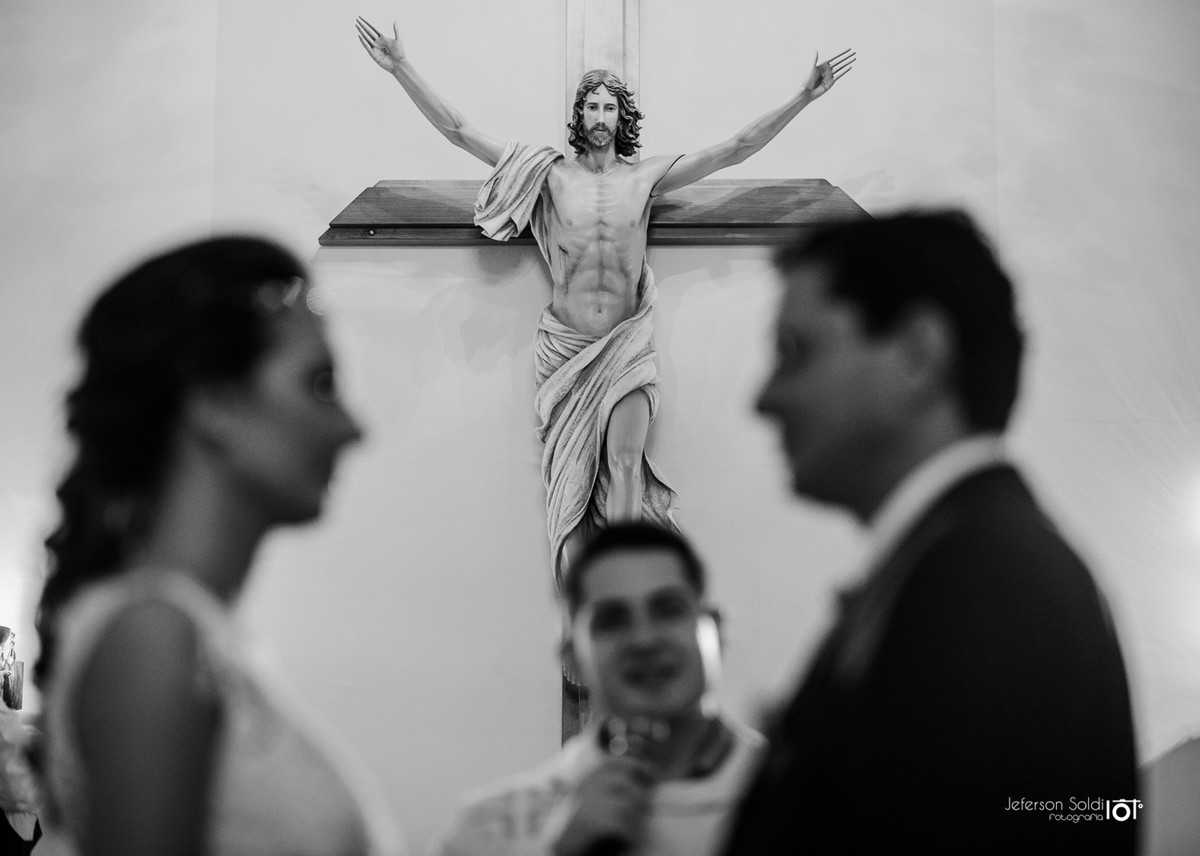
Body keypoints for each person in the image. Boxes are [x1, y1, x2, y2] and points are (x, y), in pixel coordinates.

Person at [355, 16, 854, 580]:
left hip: (624, 347)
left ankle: (617, 584)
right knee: (566, 497)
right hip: (567, 350)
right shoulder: (548, 176)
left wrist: (803, 98)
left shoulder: (644, 178)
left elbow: (736, 148)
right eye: (590, 106)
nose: (598, 117)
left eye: (608, 107)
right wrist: (400, 68)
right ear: (579, 116)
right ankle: (582, 610)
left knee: (624, 468)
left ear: (623, 117)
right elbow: (459, 129)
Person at [722, 210, 1139, 853]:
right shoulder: (948, 561)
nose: (765, 397)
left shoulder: (989, 586)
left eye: (796, 352)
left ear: (918, 354)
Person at [33, 237, 403, 856]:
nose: (352, 427)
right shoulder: (153, 638)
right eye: (320, 384)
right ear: (215, 402)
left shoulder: (199, 637)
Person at [430, 522, 764, 856]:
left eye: (668, 609)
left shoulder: (800, 795)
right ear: (572, 658)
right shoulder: (487, 831)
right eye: (612, 620)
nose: (644, 640)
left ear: (716, 630)